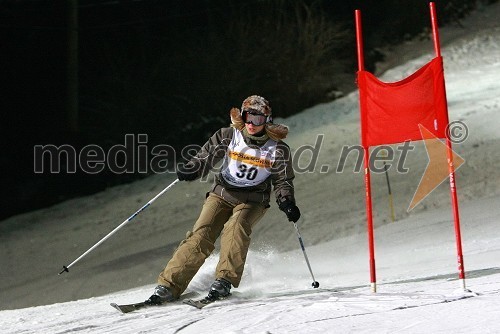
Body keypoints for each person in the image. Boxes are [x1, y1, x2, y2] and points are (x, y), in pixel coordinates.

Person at [145, 95, 300, 305]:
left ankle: (224, 281)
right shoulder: (229, 135)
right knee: (201, 235)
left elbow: (283, 180)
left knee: (236, 228)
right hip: (222, 193)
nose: (252, 124)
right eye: (248, 117)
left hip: (253, 200)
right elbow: (206, 156)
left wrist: (286, 201)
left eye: (258, 119)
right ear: (243, 116)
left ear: (267, 120)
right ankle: (169, 285)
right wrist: (192, 168)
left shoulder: (277, 149)